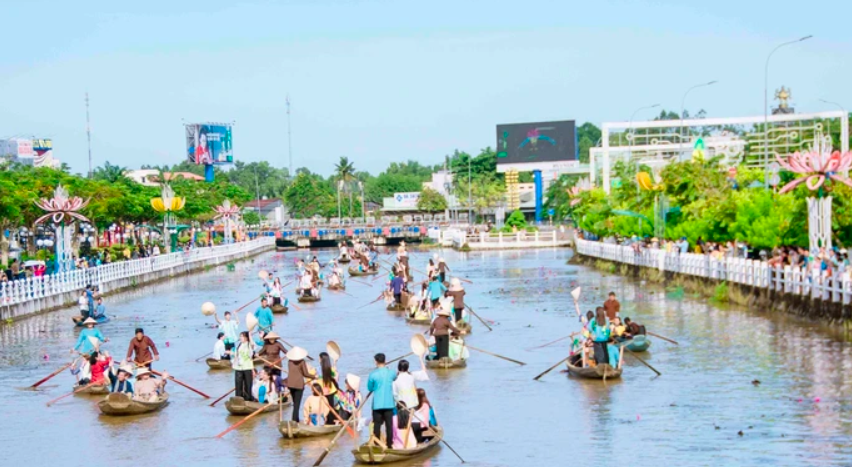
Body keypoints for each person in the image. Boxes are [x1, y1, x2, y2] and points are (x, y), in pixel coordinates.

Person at [367, 353, 396, 449]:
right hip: (389, 404)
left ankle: (377, 445)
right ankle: (389, 444)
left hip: (377, 404)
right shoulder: (391, 372)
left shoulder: (373, 374)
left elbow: (370, 388)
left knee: (377, 425)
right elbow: (395, 377)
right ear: (385, 360)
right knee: (389, 425)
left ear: (376, 362)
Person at [286, 346, 316, 422]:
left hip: (290, 384)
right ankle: (294, 420)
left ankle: (296, 419)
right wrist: (313, 376)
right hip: (298, 385)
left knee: (295, 403)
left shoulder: (289, 361)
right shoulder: (302, 362)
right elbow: (305, 374)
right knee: (297, 404)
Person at [232, 331, 255, 401]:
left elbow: (252, 344)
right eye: (240, 336)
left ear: (246, 338)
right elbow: (236, 355)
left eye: (242, 336)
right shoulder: (239, 345)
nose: (240, 338)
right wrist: (233, 363)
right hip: (238, 367)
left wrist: (250, 335)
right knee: (238, 384)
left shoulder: (249, 345)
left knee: (248, 384)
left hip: (247, 367)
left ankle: (248, 399)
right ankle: (238, 399)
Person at [319, 351, 339, 425]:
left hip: (323, 391)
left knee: (324, 407)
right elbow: (336, 377)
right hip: (331, 390)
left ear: (321, 359)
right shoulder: (331, 369)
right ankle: (332, 422)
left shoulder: (318, 370)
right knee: (331, 407)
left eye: (319, 358)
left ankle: (326, 421)